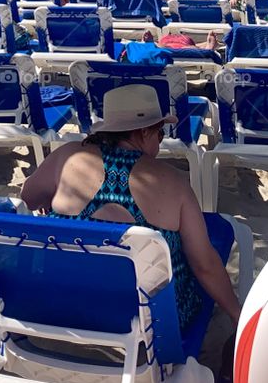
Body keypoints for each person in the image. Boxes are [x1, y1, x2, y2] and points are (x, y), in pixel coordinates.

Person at [20, 84, 240, 334]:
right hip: (148, 324)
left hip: (64, 307)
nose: (160, 141)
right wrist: (235, 312)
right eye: (159, 134)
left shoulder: (67, 156)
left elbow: (27, 198)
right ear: (145, 132)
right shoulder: (174, 182)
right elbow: (204, 265)